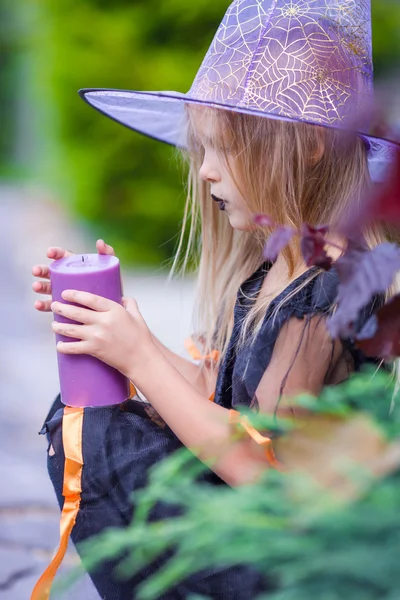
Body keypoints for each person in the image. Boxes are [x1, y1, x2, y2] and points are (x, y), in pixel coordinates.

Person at [31, 1, 398, 598]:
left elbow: (265, 470)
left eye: (221, 148)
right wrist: (119, 332)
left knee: (99, 438)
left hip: (287, 562)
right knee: (84, 410)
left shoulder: (332, 288)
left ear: (306, 147)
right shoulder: (277, 269)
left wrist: (141, 360)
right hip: (247, 536)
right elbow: (226, 402)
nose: (203, 172)